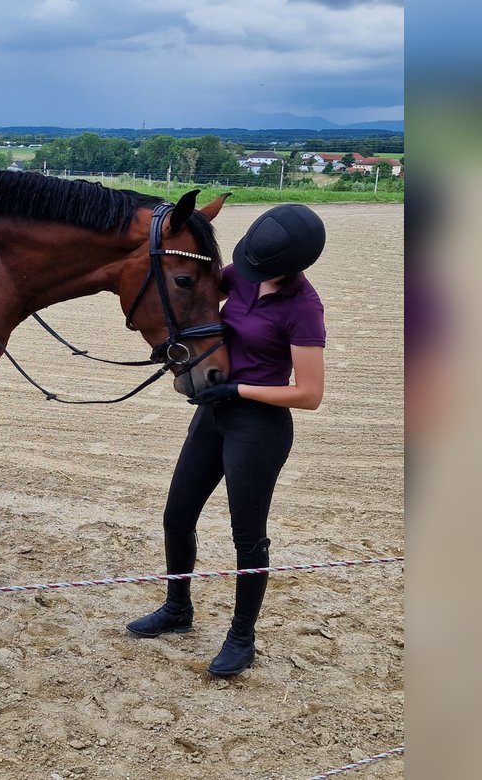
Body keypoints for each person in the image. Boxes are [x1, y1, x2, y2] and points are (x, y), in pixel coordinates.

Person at [126, 203, 327, 677]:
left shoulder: (303, 308)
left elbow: (309, 393)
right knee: (177, 515)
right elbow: (188, 294)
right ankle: (178, 608)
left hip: (259, 427)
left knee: (248, 538)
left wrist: (237, 388)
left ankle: (242, 636)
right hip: (214, 414)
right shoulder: (243, 275)